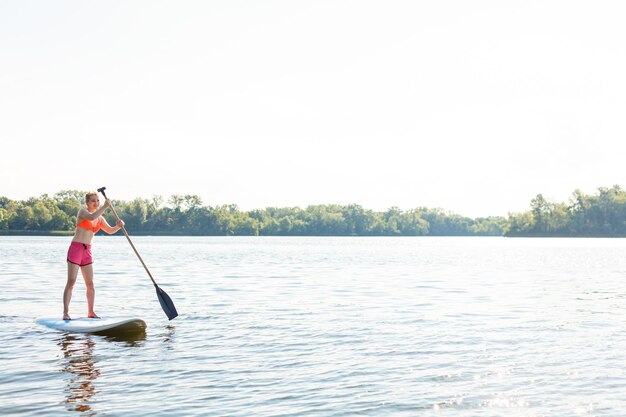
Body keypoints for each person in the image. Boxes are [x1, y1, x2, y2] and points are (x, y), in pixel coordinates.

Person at [63, 192, 124, 320]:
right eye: (93, 201)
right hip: (76, 248)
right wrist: (105, 207)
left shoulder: (100, 219)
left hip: (87, 251)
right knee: (71, 281)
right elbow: (91, 217)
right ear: (87, 203)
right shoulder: (83, 212)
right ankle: (65, 313)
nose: (96, 203)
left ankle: (90, 312)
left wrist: (119, 226)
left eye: (97, 200)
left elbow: (110, 230)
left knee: (90, 284)